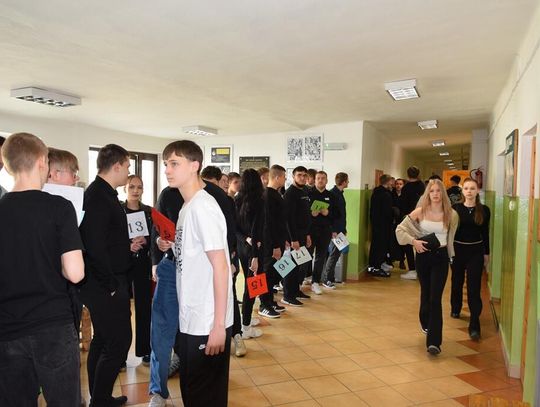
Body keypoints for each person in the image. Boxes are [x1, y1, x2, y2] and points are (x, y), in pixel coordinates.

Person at [0, 133, 84, 406]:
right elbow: (76, 273)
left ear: (8, 166)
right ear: (42, 161)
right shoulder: (59, 207)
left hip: (7, 328)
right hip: (52, 326)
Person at [164, 140, 233, 407]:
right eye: (166, 164)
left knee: (204, 396)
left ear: (194, 166)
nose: (168, 170)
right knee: (193, 392)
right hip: (192, 317)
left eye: (174, 163)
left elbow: (221, 266)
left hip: (207, 321)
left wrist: (218, 326)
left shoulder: (203, 206)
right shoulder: (187, 206)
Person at [79, 144, 132, 407]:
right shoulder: (98, 196)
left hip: (107, 280)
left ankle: (99, 397)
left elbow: (107, 239)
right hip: (104, 283)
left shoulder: (105, 193)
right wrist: (111, 285)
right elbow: (94, 245)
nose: (129, 172)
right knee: (119, 342)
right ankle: (99, 400)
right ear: (117, 166)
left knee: (102, 339)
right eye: (128, 166)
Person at [396, 179, 458, 355]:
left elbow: (452, 237)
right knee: (426, 293)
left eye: (438, 191)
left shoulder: (451, 214)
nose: (435, 194)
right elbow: (400, 230)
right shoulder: (420, 212)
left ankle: (434, 342)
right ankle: (425, 321)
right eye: (432, 191)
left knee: (435, 298)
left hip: (441, 257)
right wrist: (413, 241)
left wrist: (453, 256)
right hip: (423, 257)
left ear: (443, 193)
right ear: (427, 194)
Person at [47, 147, 86, 407]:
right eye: (72, 173)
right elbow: (75, 272)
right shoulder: (60, 207)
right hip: (59, 297)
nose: (75, 179)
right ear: (53, 173)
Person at [236, 169, 280, 323]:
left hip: (242, 246)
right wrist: (255, 255)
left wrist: (245, 238)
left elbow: (235, 227)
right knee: (252, 286)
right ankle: (246, 324)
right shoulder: (258, 201)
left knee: (254, 284)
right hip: (255, 249)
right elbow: (256, 229)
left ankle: (246, 318)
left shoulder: (237, 199)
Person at [450, 178, 490, 340]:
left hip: (476, 251)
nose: (469, 191)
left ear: (477, 191)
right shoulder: (455, 209)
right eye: (466, 188)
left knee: (474, 287)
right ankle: (456, 307)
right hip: (458, 250)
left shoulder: (484, 210)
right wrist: (449, 251)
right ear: (463, 191)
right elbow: (450, 232)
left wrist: (486, 253)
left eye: (472, 188)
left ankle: (474, 323)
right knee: (456, 282)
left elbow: (485, 233)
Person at [121, 175, 152, 364]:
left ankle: (145, 350)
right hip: (122, 265)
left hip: (142, 265)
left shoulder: (148, 211)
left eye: (139, 187)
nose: (135, 191)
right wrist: (127, 245)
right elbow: (111, 237)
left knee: (144, 308)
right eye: (132, 186)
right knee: (122, 311)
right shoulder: (118, 210)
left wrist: (146, 241)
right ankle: (120, 355)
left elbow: (154, 236)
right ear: (125, 188)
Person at [282, 166, 312, 306]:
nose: (302, 177)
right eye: (299, 175)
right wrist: (293, 239)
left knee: (299, 265)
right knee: (290, 267)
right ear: (293, 176)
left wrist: (307, 235)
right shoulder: (290, 193)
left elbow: (306, 215)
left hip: (303, 234)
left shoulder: (304, 191)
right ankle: (288, 295)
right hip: (293, 236)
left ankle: (295, 290)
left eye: (304, 175)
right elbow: (288, 219)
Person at [263, 165, 288, 311]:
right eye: (284, 177)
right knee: (267, 275)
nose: (285, 180)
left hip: (279, 241)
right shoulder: (267, 196)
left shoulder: (276, 194)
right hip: (271, 244)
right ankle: (264, 304)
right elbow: (268, 224)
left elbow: (280, 221)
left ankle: (270, 301)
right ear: (277, 177)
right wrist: (275, 246)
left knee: (273, 274)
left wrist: (284, 239)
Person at [308, 171, 334, 293]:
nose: (320, 180)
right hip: (310, 231)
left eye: (323, 178)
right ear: (315, 180)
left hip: (325, 230)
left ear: (326, 180)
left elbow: (337, 214)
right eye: (318, 178)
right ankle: (300, 280)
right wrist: (311, 214)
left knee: (320, 257)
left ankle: (315, 282)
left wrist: (328, 213)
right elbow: (301, 213)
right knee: (306, 256)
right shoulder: (308, 193)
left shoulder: (331, 195)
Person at [399, 166, 426, 280]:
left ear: (408, 174)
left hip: (409, 218)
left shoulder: (406, 188)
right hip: (422, 217)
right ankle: (422, 269)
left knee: (409, 244)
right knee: (422, 242)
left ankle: (412, 270)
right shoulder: (422, 186)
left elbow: (403, 204)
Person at [324, 172, 349, 285]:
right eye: (347, 180)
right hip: (335, 230)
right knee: (333, 254)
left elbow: (341, 214)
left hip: (340, 229)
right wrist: (333, 230)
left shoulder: (340, 193)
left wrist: (344, 229)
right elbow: (331, 215)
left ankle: (331, 277)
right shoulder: (332, 194)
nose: (348, 182)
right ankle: (327, 279)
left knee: (337, 254)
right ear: (343, 182)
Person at [367, 174, 394, 277]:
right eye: (391, 181)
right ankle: (376, 267)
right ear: (387, 182)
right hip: (383, 225)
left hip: (376, 223)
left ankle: (374, 266)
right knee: (380, 246)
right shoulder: (385, 195)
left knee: (375, 245)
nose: (392, 183)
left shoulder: (376, 192)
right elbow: (387, 212)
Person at [391, 178, 407, 270]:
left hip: (403, 221)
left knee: (402, 241)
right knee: (393, 240)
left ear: (403, 185)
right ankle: (392, 258)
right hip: (393, 220)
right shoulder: (391, 194)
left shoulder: (405, 195)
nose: (398, 185)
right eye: (397, 183)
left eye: (400, 184)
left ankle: (402, 260)